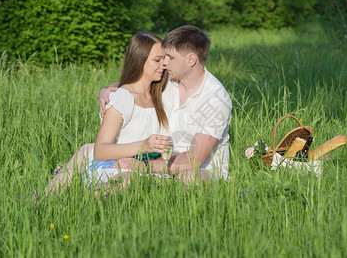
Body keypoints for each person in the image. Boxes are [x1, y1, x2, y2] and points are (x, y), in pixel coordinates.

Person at [100, 25, 232, 183]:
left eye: (170, 57)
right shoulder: (168, 80)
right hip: (156, 163)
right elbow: (135, 84)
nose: (164, 62)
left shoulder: (216, 100)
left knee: (190, 178)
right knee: (88, 151)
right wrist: (107, 90)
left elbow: (194, 160)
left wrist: (146, 166)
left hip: (200, 171)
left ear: (191, 60)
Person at [45, 32, 172, 195]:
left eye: (165, 59)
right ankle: (79, 200)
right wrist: (143, 146)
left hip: (148, 167)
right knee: (129, 179)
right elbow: (101, 151)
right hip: (115, 165)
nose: (164, 64)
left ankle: (68, 177)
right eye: (157, 60)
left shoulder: (163, 93)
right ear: (140, 60)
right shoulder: (123, 98)